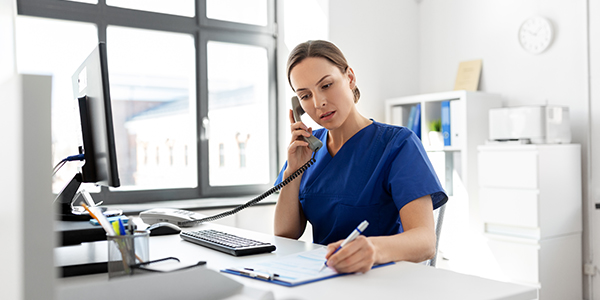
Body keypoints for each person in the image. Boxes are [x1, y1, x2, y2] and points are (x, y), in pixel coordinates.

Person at [273, 40, 447, 274]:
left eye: (326, 85)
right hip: (320, 279)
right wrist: (293, 172)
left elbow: (425, 242)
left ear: (350, 78)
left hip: (382, 280)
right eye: (305, 96)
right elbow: (285, 234)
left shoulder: (398, 145)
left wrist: (373, 249)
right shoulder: (307, 152)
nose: (318, 103)